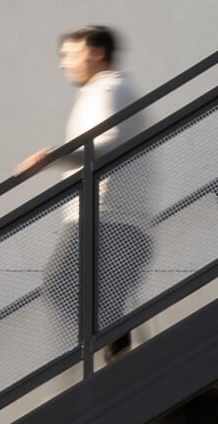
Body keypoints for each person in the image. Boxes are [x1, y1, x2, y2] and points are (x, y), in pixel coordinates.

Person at [20, 26, 152, 360]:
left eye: (69, 54)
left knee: (62, 286)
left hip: (108, 218)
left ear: (95, 52)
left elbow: (110, 143)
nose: (64, 63)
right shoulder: (98, 92)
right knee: (99, 300)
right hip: (108, 217)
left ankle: (119, 355)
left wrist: (54, 157)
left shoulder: (112, 88)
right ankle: (121, 359)